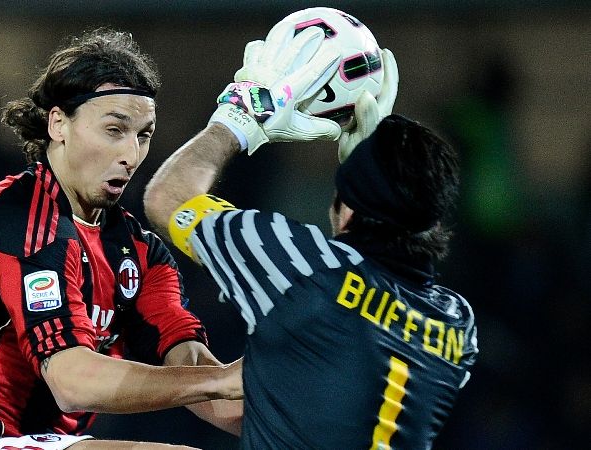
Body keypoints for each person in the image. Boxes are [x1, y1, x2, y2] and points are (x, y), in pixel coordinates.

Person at [144, 8, 478, 449]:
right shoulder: (457, 325)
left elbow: (167, 198)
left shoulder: (303, 266)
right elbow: (287, 411)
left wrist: (240, 116)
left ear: (347, 211)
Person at [0, 28, 243, 450]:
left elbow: (203, 383)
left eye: (144, 135)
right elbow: (72, 381)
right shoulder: (22, 214)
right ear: (58, 124)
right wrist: (220, 380)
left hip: (43, 442)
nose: (131, 156)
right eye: (114, 130)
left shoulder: (141, 252)